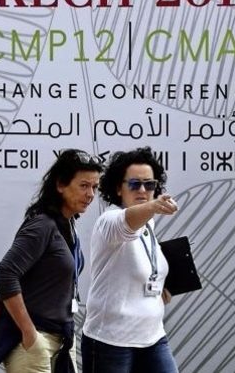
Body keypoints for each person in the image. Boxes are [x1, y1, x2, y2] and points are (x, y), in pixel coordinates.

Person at [0, 149, 103, 373]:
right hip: (35, 340)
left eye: (95, 187)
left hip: (62, 338)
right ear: (61, 185)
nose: (90, 194)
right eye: (84, 186)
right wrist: (29, 333)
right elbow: (5, 274)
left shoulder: (68, 225)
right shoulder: (42, 225)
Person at [81, 146, 179, 373]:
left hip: (153, 336)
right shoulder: (109, 221)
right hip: (110, 341)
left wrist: (158, 290)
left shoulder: (149, 223)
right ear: (118, 188)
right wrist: (154, 205)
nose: (143, 190)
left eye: (149, 185)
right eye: (134, 184)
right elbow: (126, 223)